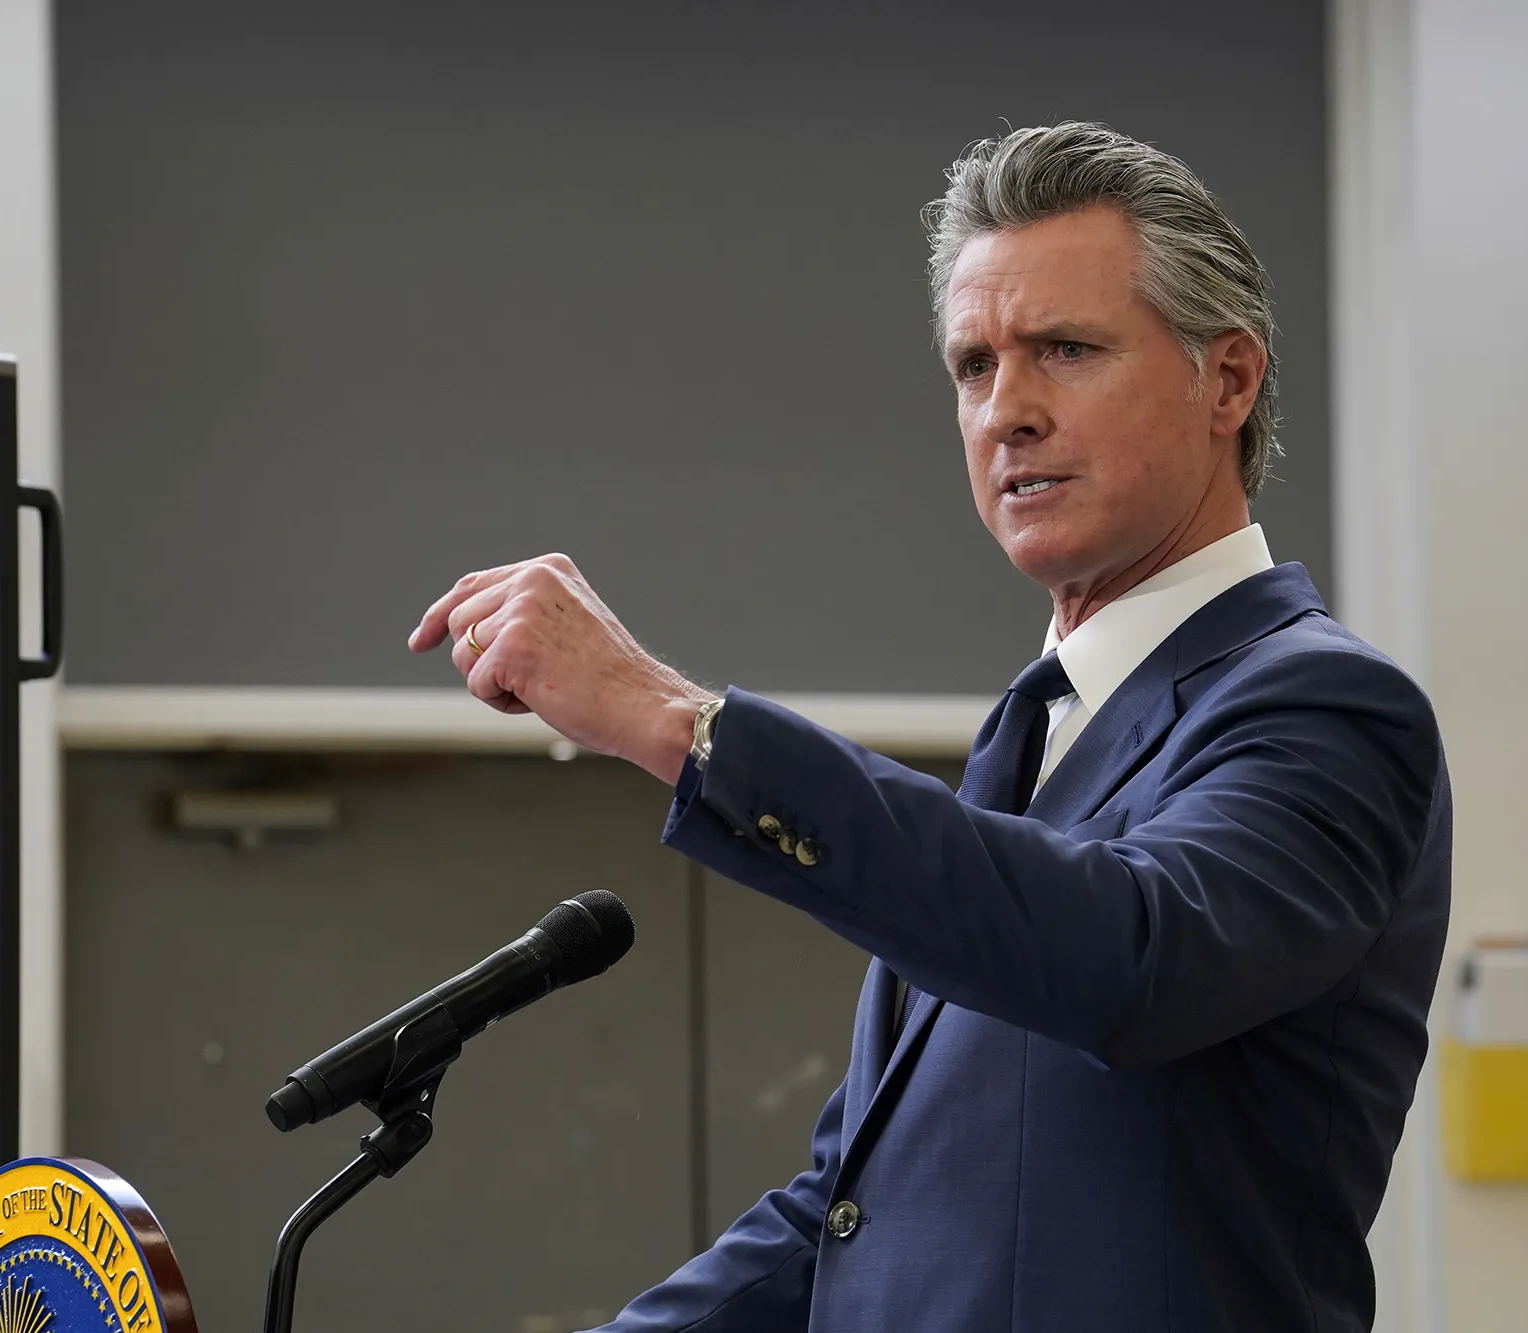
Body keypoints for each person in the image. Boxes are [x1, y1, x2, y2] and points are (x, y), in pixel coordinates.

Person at [409, 122, 1449, 1333]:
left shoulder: (1319, 704)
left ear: (1226, 380)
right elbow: (845, 1217)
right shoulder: (1030, 740)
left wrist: (674, 720)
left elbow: (1130, 954)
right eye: (972, 365)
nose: (1005, 411)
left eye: (1064, 349)